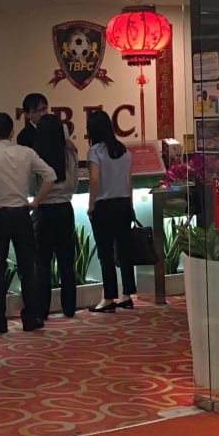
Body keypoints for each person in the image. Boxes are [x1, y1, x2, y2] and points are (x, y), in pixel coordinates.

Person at [0, 112, 57, 333]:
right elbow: (50, 176)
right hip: (22, 215)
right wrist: (36, 202)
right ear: (12, 132)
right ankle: (30, 318)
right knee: (27, 269)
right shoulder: (27, 152)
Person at [85, 110, 136, 313]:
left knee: (105, 253)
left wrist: (91, 204)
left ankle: (108, 297)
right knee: (124, 251)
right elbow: (129, 180)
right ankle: (127, 295)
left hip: (104, 206)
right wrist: (130, 204)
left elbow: (94, 179)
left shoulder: (95, 152)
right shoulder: (124, 150)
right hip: (123, 204)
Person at [33, 114, 79, 318]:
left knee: (42, 262)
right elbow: (74, 184)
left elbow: (31, 186)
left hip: (43, 211)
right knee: (66, 261)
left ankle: (42, 309)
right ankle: (69, 307)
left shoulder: (36, 156)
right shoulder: (70, 153)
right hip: (64, 209)